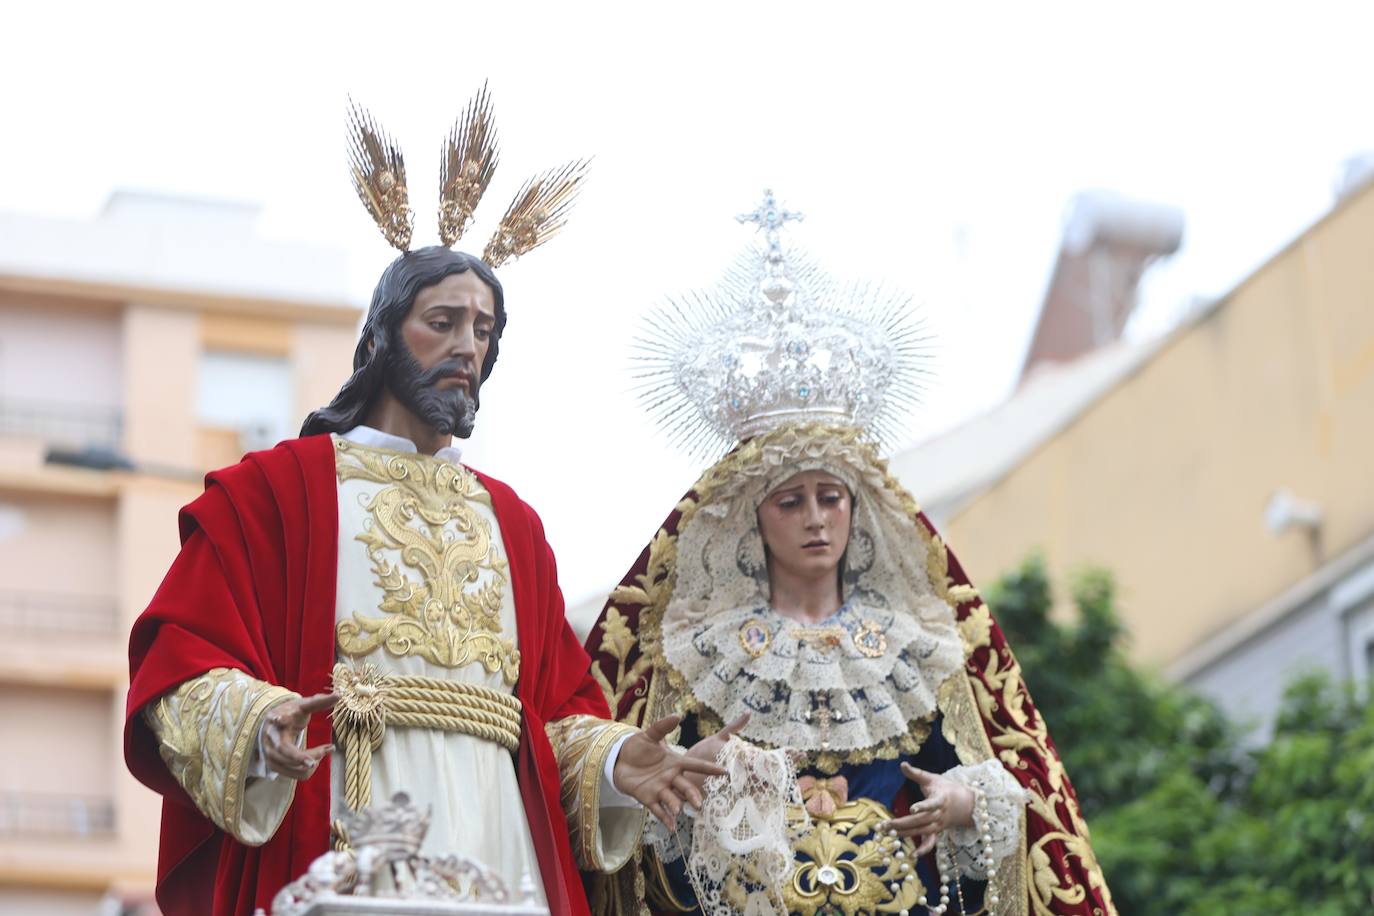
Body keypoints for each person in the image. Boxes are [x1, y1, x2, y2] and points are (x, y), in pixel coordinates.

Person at [123, 91, 722, 916]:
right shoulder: (278, 491)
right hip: (349, 817)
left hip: (496, 835)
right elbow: (179, 662)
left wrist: (618, 762)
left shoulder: (511, 523)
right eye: (442, 321)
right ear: (379, 339)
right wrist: (258, 727)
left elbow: (553, 719)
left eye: (484, 332)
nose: (467, 348)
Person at [583, 192, 1117, 916]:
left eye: (830, 497)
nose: (814, 520)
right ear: (753, 521)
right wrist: (698, 801)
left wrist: (965, 803)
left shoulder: (915, 646)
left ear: (857, 512)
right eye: (790, 501)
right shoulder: (696, 656)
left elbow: (1000, 777)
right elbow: (638, 817)